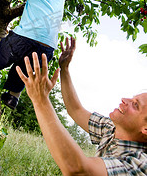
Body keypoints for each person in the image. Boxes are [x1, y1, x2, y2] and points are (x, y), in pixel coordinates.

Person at [16, 37, 147, 176]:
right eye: (132, 98)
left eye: (135, 105)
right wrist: (64, 69)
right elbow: (76, 110)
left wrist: (40, 100)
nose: (124, 99)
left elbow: (78, 170)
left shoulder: (139, 164)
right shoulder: (111, 129)